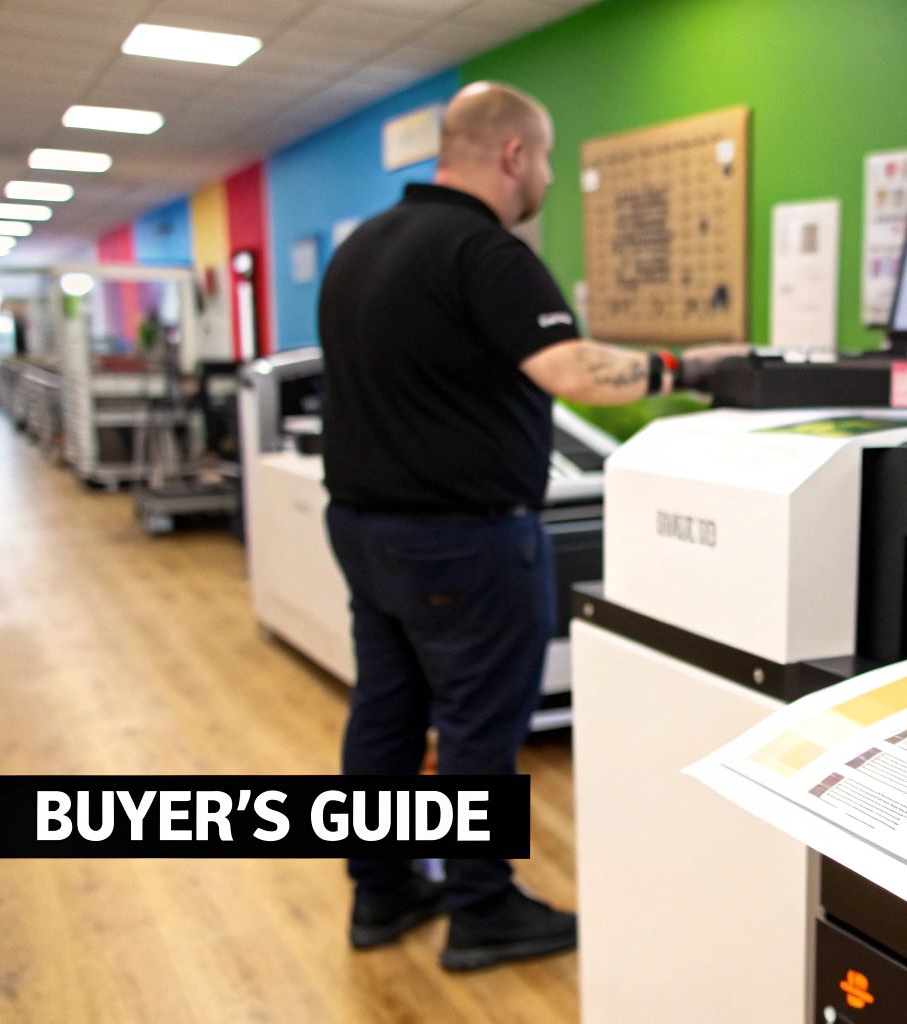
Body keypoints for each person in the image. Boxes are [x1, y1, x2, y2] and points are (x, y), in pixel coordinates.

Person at [317, 80, 741, 972]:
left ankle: (381, 889)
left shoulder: (363, 247)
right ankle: (482, 909)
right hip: (464, 541)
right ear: (514, 153)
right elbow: (574, 370)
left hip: (363, 530)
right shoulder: (484, 251)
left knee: (388, 715)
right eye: (545, 156)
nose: (544, 173)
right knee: (478, 726)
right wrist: (694, 366)